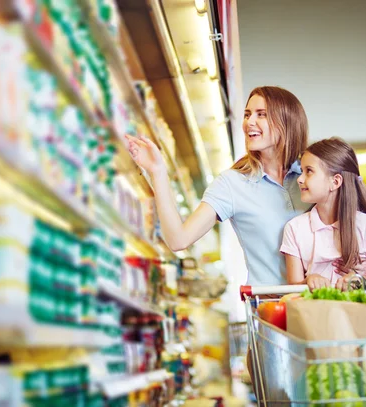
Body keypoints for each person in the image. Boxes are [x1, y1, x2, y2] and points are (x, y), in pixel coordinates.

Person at [126, 86, 311, 286]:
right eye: (247, 114)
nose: (250, 122)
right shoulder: (232, 184)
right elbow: (178, 240)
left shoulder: (311, 174)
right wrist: (157, 172)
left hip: (318, 305)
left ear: (288, 122)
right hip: (269, 310)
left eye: (261, 114)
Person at [280, 137, 366, 292]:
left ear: (335, 182)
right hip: (315, 314)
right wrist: (308, 281)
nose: (300, 179)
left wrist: (360, 281)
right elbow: (292, 290)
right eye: (301, 171)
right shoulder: (294, 228)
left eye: (309, 171)